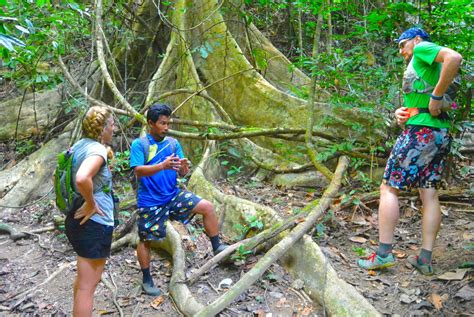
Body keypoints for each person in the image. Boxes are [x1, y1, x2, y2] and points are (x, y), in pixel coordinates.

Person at [358, 27, 462, 275]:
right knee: (428, 193)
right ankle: (424, 259)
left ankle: (383, 254)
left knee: (388, 187)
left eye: (403, 44)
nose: (401, 51)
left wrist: (436, 97)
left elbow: (455, 57)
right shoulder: (427, 63)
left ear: (416, 40)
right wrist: (402, 113)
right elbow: (420, 99)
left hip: (421, 134)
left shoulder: (423, 48)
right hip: (438, 133)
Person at [130, 103, 228, 295]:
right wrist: (162, 165)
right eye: (162, 123)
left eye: (168, 123)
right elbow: (138, 171)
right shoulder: (140, 144)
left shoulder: (173, 144)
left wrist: (184, 168)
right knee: (145, 239)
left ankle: (217, 246)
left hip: (173, 195)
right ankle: (147, 279)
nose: (166, 127)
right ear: (151, 123)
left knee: (207, 207)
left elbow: (182, 173)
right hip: (151, 201)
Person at [64, 106, 116, 316]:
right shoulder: (97, 151)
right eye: (112, 125)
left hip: (77, 220)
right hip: (93, 224)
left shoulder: (79, 146)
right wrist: (92, 204)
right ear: (102, 128)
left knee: (82, 282)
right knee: (88, 288)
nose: (114, 130)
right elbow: (82, 178)